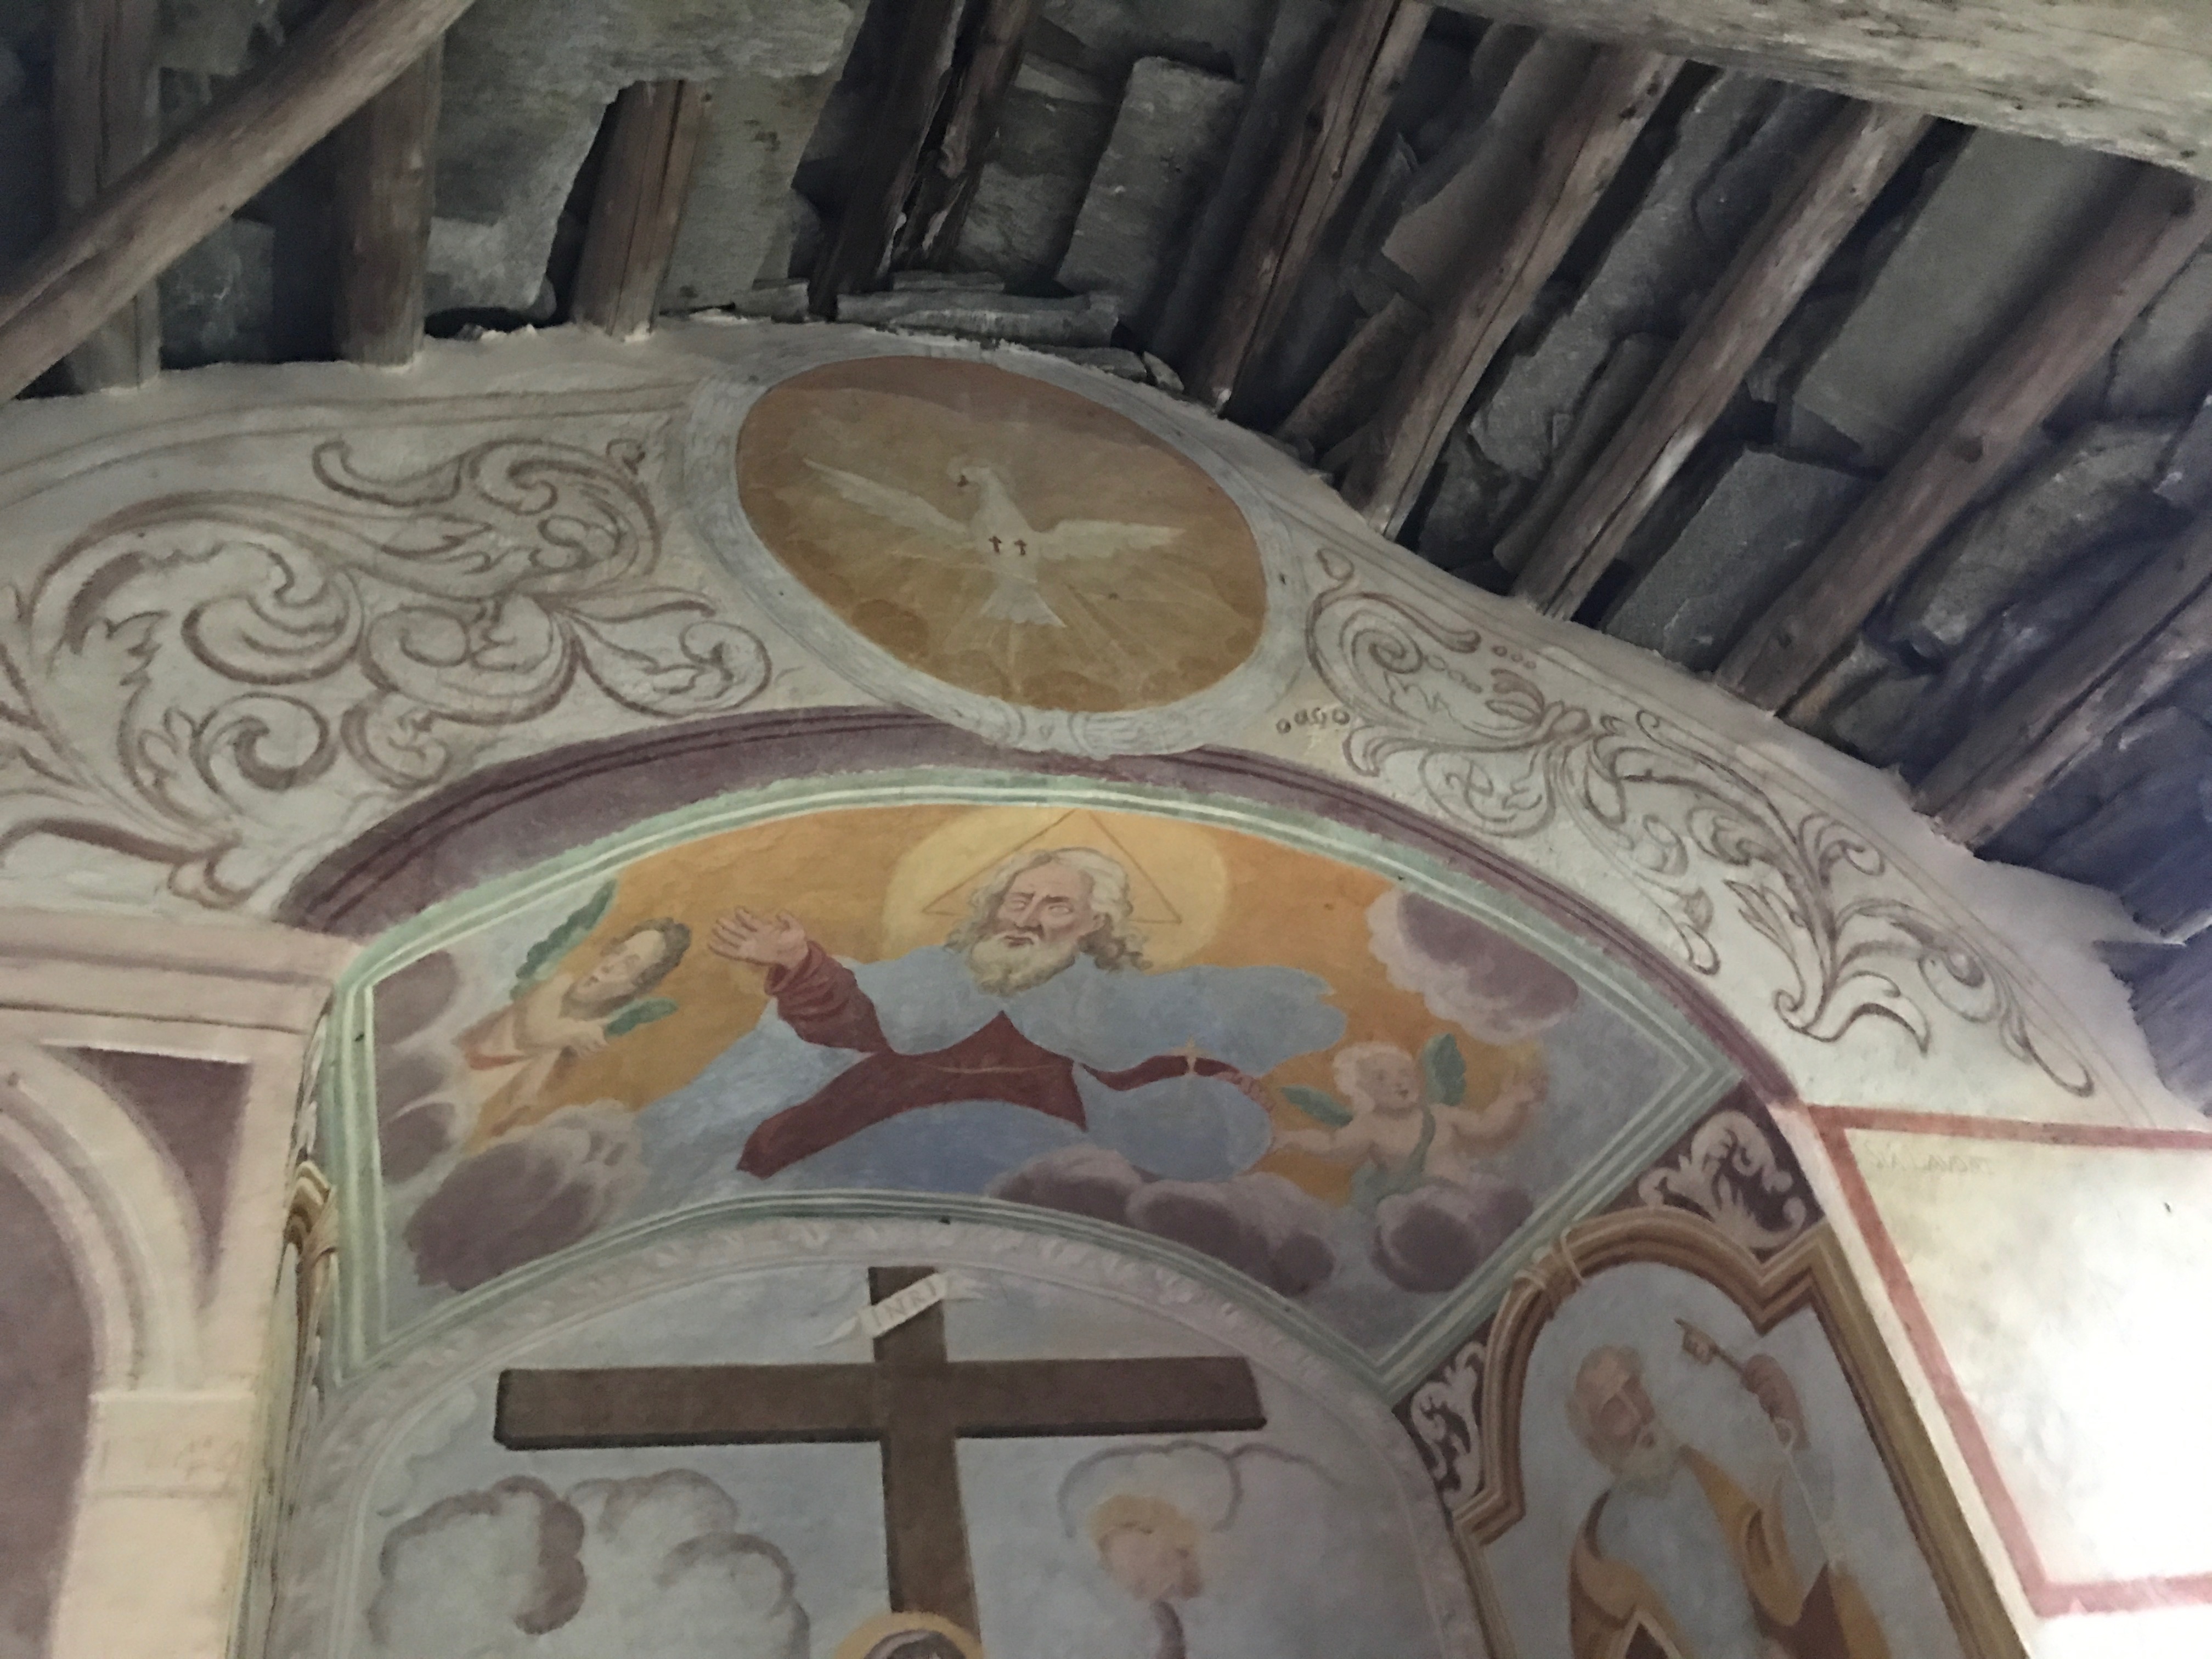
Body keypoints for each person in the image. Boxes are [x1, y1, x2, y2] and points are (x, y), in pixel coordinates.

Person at [637, 848, 1341, 1193]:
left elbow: (1141, 1064)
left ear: (1095, 923)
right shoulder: (938, 972)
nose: (1028, 918)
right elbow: (850, 1020)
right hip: (878, 1118)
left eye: (1056, 906)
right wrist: (799, 961)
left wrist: (1214, 1079)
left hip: (1054, 1137)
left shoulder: (1113, 995)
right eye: (1018, 900)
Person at [1564, 1345, 1890, 1659]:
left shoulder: (1696, 1474)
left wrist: (1793, 1430)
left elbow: (1770, 1561)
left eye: (1634, 1390)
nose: (1638, 1416)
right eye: (1615, 1411)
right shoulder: (1598, 1553)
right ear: (1596, 1444)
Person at [458, 919, 689, 1140]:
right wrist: (574, 1033)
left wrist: (520, 1104)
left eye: (628, 965)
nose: (609, 965)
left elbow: (540, 1063)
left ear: (633, 986)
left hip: (470, 1101)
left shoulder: (580, 1032)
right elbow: (533, 1032)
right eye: (617, 952)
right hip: (456, 1068)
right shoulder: (558, 985)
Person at [1091, 1493, 1203, 1659]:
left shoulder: (1212, 1611)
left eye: (1139, 1552)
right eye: (1120, 1567)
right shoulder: (1150, 1622)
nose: (1136, 1572)